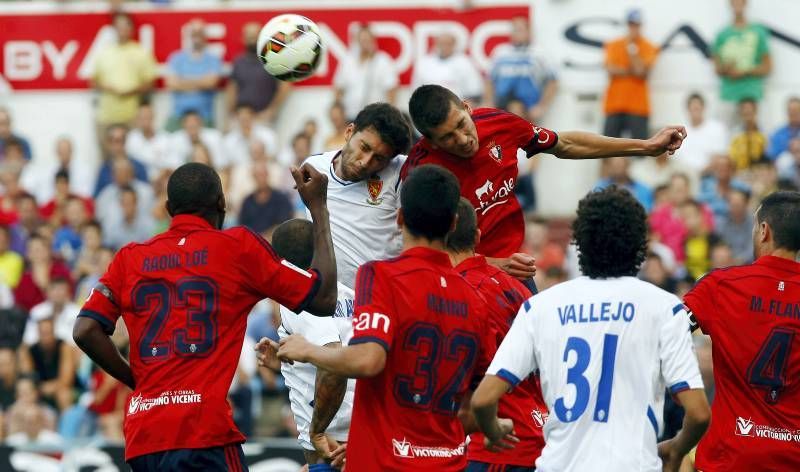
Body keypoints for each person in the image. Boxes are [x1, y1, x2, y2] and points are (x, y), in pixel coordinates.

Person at [72, 162, 338, 470]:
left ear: (169, 208)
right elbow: (324, 299)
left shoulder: (129, 258)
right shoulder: (236, 248)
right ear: (222, 204)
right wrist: (318, 206)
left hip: (144, 437)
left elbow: (85, 330)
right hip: (203, 433)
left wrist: (138, 381)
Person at [265, 165, 497, 471]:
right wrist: (490, 430)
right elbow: (480, 399)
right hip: (448, 461)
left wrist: (307, 351)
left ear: (399, 218)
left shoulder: (380, 276)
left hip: (387, 459)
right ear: (453, 224)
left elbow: (368, 360)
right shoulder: (474, 299)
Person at [471, 186, 711, 471]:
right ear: (640, 245)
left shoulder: (541, 307)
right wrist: (677, 447)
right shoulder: (665, 308)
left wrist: (494, 430)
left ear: (580, 244)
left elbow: (483, 399)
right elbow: (698, 413)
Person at [404, 84, 686, 278]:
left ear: (467, 108)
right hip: (459, 280)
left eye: (462, 125)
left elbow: (565, 143)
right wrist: (493, 265)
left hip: (513, 271)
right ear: (431, 141)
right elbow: (422, 252)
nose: (463, 140)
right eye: (448, 138)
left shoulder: (499, 124)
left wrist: (646, 146)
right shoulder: (421, 174)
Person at [683, 190, 800, 471]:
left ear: (764, 231)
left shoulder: (722, 285)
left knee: (684, 459)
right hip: (793, 456)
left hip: (730, 453)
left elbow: (669, 332)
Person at [445, 198, 545, 471]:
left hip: (492, 445)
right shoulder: (516, 286)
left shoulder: (455, 294)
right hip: (538, 435)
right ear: (477, 236)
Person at [259, 218, 355, 467]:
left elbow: (334, 361)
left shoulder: (297, 298)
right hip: (357, 438)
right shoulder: (348, 294)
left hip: (333, 448)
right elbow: (349, 356)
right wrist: (288, 366)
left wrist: (317, 432)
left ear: (278, 262)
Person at [301, 102, 412, 289]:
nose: (365, 162)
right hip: (329, 299)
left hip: (381, 297)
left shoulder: (401, 171)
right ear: (349, 132)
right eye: (365, 147)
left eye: (379, 158)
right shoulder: (314, 168)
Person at [90, 12, 157, 129]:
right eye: (118, 26)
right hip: (106, 116)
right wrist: (110, 88)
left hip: (134, 117)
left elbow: (151, 83)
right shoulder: (104, 53)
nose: (122, 29)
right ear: (114, 29)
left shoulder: (141, 52)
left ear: (132, 28)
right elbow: (93, 81)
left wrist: (130, 91)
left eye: (126, 25)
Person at [486, 16, 558, 122]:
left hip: (528, 107)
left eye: (520, 30)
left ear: (529, 32)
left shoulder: (540, 53)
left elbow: (553, 81)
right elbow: (489, 80)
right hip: (502, 104)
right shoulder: (500, 52)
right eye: (514, 30)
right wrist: (489, 102)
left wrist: (542, 106)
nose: (516, 33)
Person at [602, 9, 659, 139]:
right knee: (607, 149)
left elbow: (641, 73)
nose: (633, 28)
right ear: (627, 25)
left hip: (638, 106)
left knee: (641, 150)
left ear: (641, 26)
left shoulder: (649, 46)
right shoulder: (613, 44)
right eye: (631, 24)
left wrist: (631, 49)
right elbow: (610, 69)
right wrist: (632, 70)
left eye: (636, 24)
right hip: (614, 104)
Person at [226, 22, 291, 125]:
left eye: (254, 36)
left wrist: (271, 110)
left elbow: (285, 87)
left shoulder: (272, 60)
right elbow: (232, 88)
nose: (251, 40)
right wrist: (232, 112)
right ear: (243, 39)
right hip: (241, 118)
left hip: (263, 118)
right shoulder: (238, 62)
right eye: (249, 37)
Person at [713, 0, 771, 108]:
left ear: (746, 3)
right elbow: (717, 69)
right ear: (730, 4)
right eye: (734, 2)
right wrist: (726, 68)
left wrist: (744, 72)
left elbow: (767, 67)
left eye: (740, 2)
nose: (737, 5)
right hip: (729, 97)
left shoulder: (758, 32)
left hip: (753, 96)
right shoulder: (722, 34)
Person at [165, 19, 222, 128]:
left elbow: (211, 83)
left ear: (205, 37)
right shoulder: (176, 58)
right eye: (194, 34)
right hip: (178, 116)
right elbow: (172, 84)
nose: (197, 38)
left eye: (200, 34)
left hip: (204, 117)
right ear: (189, 36)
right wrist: (200, 82)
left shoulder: (213, 59)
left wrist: (183, 81)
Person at [333, 26, 399, 120]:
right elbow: (338, 87)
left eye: (367, 40)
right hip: (351, 116)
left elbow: (391, 89)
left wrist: (390, 115)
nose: (364, 44)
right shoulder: (348, 61)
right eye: (362, 40)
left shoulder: (383, 61)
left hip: (376, 117)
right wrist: (339, 112)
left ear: (373, 41)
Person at [412, 32, 483, 103]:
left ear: (454, 44)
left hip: (457, 107)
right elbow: (415, 91)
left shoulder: (465, 62)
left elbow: (474, 92)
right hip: (428, 107)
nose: (444, 47)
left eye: (448, 44)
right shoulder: (424, 63)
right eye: (441, 43)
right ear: (436, 44)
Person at [674, 93, 729, 177]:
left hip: (710, 176)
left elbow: (719, 157)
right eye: (693, 108)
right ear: (688, 109)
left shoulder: (717, 128)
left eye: (697, 108)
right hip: (684, 177)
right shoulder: (678, 131)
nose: (695, 111)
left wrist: (699, 174)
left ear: (704, 108)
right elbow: (676, 159)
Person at [237, 162, 294, 234]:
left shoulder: (281, 199)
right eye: (258, 175)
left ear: (267, 175)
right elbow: (242, 228)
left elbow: (285, 224)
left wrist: (266, 237)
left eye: (263, 175)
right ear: (253, 177)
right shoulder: (247, 202)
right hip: (252, 242)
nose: (261, 178)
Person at [729, 98, 767, 170]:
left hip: (759, 172)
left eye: (750, 109)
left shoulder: (764, 132)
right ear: (740, 112)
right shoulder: (734, 134)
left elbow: (768, 155)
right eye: (744, 109)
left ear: (756, 110)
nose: (747, 111)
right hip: (740, 172)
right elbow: (731, 157)